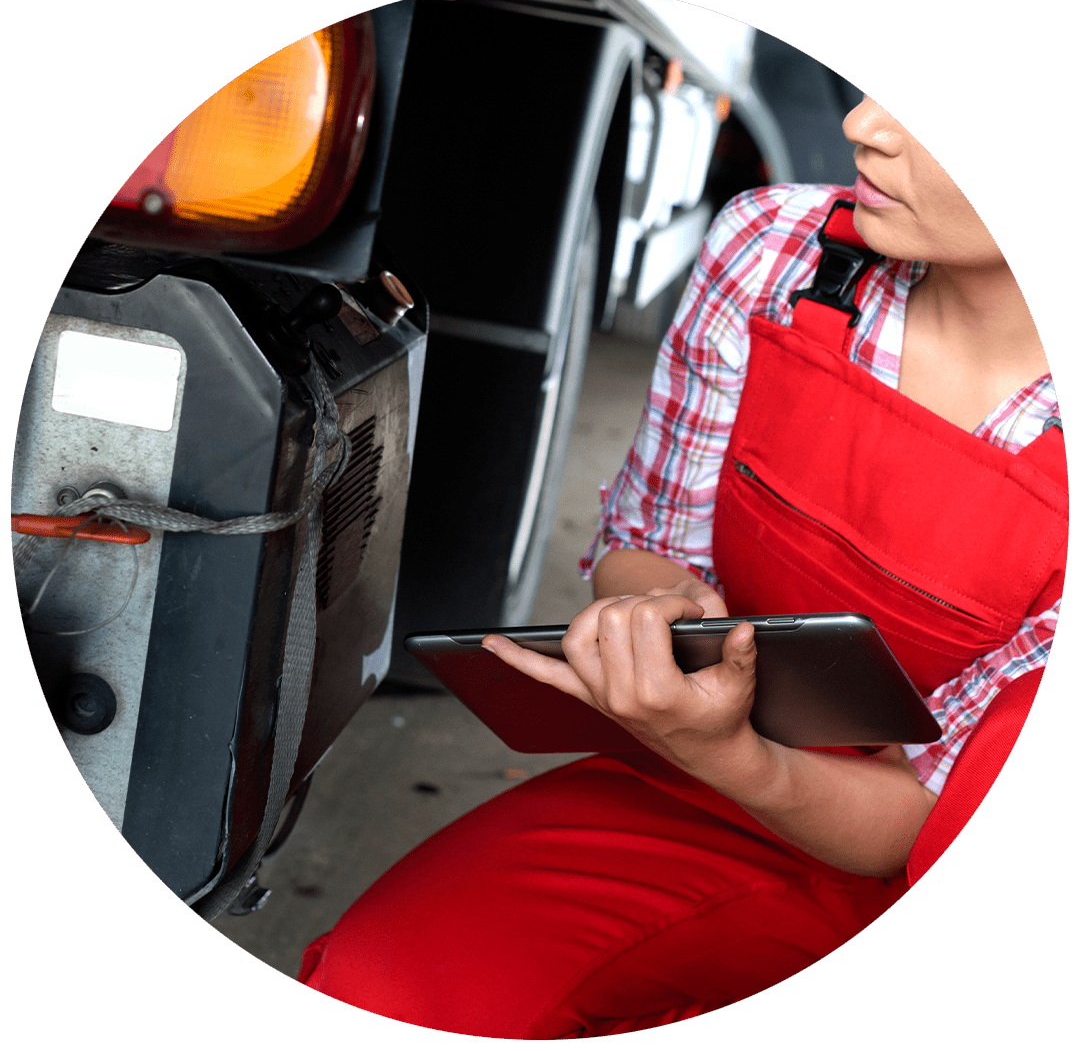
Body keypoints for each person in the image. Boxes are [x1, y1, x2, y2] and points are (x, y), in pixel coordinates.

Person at [297, 96, 1067, 1037]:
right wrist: (656, 612)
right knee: (392, 986)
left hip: (918, 854)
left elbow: (915, 827)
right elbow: (645, 538)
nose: (867, 123)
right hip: (700, 789)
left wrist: (734, 754)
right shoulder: (775, 252)